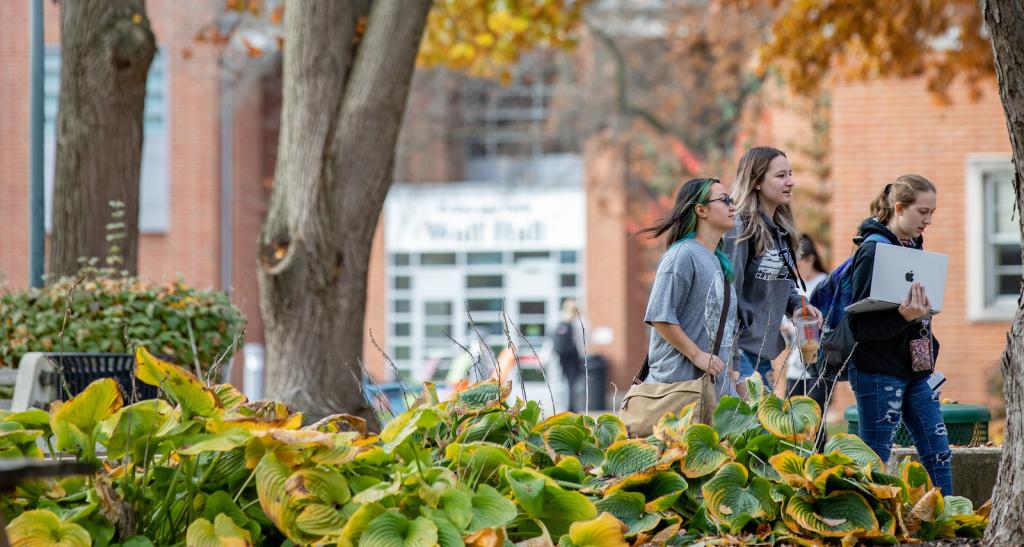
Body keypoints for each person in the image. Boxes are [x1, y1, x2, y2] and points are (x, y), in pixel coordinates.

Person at [847, 174, 951, 495]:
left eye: (932, 212)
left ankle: (947, 517)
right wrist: (902, 317)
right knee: (876, 455)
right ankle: (870, 524)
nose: (929, 220)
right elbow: (859, 327)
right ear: (899, 208)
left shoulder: (913, 245)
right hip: (878, 372)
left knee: (939, 450)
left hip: (916, 370)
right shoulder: (872, 250)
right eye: (923, 212)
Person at [725, 147, 821, 391]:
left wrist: (798, 306)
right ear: (756, 181)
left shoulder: (781, 230)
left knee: (758, 428)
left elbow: (783, 283)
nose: (791, 181)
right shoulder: (739, 228)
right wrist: (731, 359)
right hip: (737, 353)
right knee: (754, 425)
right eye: (781, 176)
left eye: (790, 173)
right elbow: (726, 293)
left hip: (763, 353)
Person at [637, 177, 742, 400]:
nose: (732, 206)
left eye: (731, 199)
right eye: (724, 200)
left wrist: (733, 370)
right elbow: (660, 316)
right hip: (678, 391)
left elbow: (726, 326)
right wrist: (697, 355)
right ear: (701, 210)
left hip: (716, 391)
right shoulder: (682, 255)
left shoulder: (719, 262)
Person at [782, 235, 829, 450]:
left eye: (798, 261)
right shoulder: (792, 285)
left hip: (820, 364)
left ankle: (818, 459)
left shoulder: (824, 283)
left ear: (810, 259)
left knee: (815, 415)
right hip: (795, 364)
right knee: (790, 416)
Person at [552, 299, 586, 412]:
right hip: (573, 357)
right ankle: (572, 408)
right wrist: (584, 357)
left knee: (565, 382)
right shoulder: (577, 323)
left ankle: (564, 406)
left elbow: (552, 341)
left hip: (562, 357)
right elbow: (581, 343)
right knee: (573, 383)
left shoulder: (560, 320)